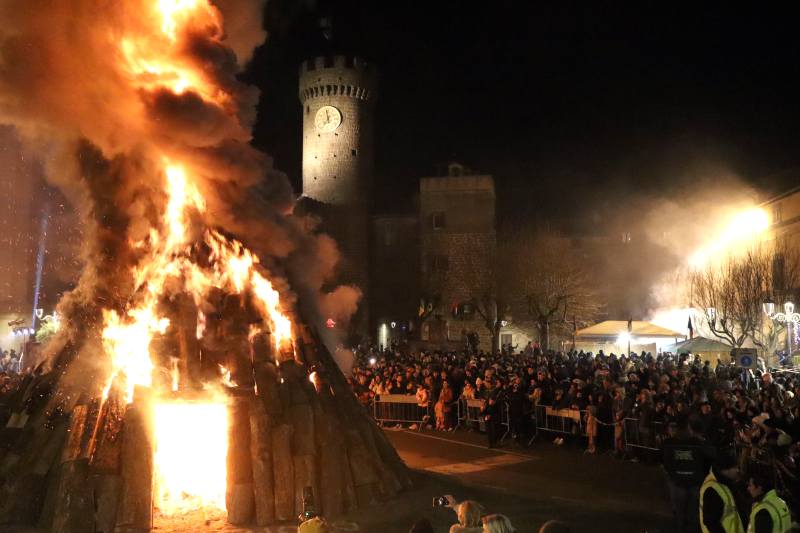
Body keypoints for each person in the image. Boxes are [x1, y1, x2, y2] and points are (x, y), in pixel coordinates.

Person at [661, 415, 716, 533]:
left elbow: (664, 461)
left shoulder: (669, 443)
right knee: (694, 512)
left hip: (678, 482)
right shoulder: (697, 442)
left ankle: (681, 528)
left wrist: (672, 474)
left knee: (680, 511)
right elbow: (711, 456)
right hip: (694, 481)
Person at [699, 451, 745, 533]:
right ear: (726, 470)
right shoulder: (712, 490)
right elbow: (711, 522)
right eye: (735, 468)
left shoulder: (725, 482)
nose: (738, 470)